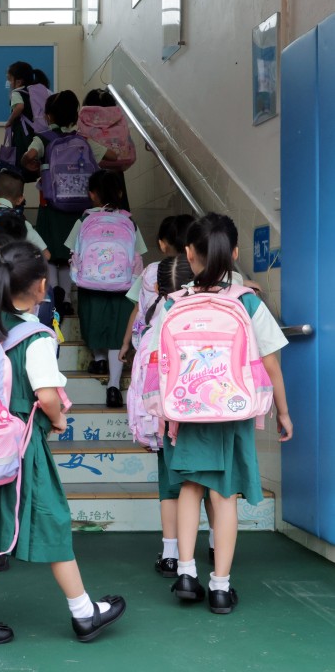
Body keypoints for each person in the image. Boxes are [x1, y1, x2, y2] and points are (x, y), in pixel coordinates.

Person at [0, 240, 126, 646]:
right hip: (23, 449)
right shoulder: (36, 336)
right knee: (54, 522)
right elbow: (46, 395)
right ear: (42, 286)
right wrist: (59, 419)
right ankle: (84, 613)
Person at [152, 213, 292, 615]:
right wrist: (283, 412)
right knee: (223, 495)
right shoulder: (247, 301)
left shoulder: (172, 302)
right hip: (231, 412)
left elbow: (158, 362)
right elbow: (271, 364)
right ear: (233, 253)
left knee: (189, 490)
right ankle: (220, 586)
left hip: (185, 413)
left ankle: (185, 572)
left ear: (189, 254)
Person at [136, 255, 201, 579]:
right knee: (214, 487)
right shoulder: (209, 309)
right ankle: (217, 548)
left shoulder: (154, 317)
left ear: (158, 286)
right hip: (209, 411)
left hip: (169, 416)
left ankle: (171, 554)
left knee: (171, 486)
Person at [21, 91, 114, 315]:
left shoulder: (42, 138)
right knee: (71, 254)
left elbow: (28, 155)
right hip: (80, 208)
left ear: (49, 116)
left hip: (50, 206)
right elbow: (111, 156)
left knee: (51, 255)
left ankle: (53, 296)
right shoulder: (84, 141)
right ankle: (68, 299)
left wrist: (30, 163)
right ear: (74, 116)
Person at [64, 170, 146, 407]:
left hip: (91, 285)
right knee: (117, 333)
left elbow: (72, 249)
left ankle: (99, 360)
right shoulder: (129, 221)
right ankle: (113, 387)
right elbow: (138, 254)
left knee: (93, 323)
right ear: (120, 192)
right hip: (123, 286)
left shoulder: (85, 219)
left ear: (91, 195)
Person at [119, 214, 195, 358]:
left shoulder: (150, 271)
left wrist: (125, 343)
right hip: (187, 346)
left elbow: (137, 309)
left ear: (162, 244)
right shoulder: (200, 272)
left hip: (151, 346)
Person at [4, 62, 51, 169]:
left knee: (19, 168)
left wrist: (9, 121)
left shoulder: (16, 92)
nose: (8, 83)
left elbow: (19, 107)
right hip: (38, 133)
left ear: (19, 81)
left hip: (22, 135)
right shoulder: (39, 91)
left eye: (9, 79)